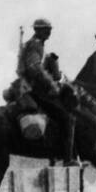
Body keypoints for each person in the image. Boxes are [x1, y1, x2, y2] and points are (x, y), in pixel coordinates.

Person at [12, 18, 76, 154]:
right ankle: (68, 159)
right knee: (67, 118)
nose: (49, 33)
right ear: (38, 30)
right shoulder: (35, 45)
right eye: (47, 30)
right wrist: (52, 84)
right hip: (35, 89)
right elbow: (34, 68)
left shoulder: (35, 44)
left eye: (50, 30)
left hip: (32, 86)